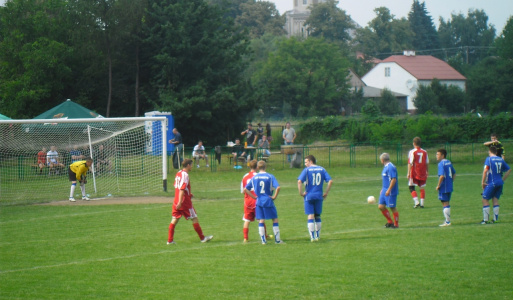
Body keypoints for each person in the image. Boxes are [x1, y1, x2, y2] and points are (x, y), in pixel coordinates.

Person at [167, 159, 213, 244]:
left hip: (176, 200)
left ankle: (170, 240)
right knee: (194, 218)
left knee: (174, 219)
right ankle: (203, 238)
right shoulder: (185, 175)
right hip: (184, 202)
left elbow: (177, 186)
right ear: (188, 165)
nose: (192, 166)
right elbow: (181, 189)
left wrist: (188, 194)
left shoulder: (178, 173)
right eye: (191, 165)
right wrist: (181, 202)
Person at [244, 161, 283, 244]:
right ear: (265, 167)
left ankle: (263, 241)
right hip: (268, 200)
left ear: (258, 168)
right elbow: (278, 187)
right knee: (274, 219)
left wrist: (254, 196)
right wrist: (274, 196)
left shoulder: (255, 177)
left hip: (259, 201)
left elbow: (245, 189)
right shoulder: (270, 176)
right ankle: (277, 240)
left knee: (261, 220)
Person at [297, 155, 333, 242]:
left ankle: (312, 237)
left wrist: (301, 193)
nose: (305, 164)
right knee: (317, 215)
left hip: (309, 196)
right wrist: (326, 192)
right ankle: (318, 236)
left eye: (306, 162)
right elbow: (330, 181)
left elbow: (299, 181)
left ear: (310, 161)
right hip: (319, 195)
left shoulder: (306, 170)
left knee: (310, 215)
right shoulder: (322, 169)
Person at [241, 160, 270, 242]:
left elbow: (243, 190)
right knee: (261, 219)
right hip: (257, 200)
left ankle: (245, 238)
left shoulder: (245, 176)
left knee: (247, 220)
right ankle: (265, 235)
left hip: (247, 201)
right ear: (257, 167)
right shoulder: (258, 176)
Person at [480, 146, 511, 224]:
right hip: (500, 182)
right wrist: (503, 179)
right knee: (495, 199)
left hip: (492, 182)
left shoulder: (489, 159)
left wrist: (482, 182)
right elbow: (509, 169)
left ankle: (485, 220)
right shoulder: (501, 159)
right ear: (496, 152)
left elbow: (485, 170)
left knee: (485, 199)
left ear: (489, 152)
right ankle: (494, 219)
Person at [435, 149, 456, 227]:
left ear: (442, 155)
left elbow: (442, 176)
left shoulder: (441, 164)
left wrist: (438, 185)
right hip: (449, 186)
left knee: (445, 202)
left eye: (438, 154)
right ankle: (447, 220)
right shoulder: (448, 162)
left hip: (444, 186)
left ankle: (447, 221)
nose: (436, 156)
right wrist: (451, 182)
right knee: (445, 202)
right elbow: (454, 173)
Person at [378, 153, 399, 228]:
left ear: (382, 160)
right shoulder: (386, 167)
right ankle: (390, 222)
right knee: (381, 206)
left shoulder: (391, 167)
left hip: (390, 191)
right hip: (384, 189)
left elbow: (393, 179)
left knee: (392, 207)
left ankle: (396, 224)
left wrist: (389, 190)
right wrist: (383, 189)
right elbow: (386, 179)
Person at [407, 137, 429, 208]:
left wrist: (408, 172)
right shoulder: (425, 152)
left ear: (414, 143)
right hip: (422, 172)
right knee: (421, 188)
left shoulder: (412, 152)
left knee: (411, 187)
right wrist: (427, 171)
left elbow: (410, 163)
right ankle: (422, 204)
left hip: (414, 172)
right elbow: (427, 163)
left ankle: (416, 202)